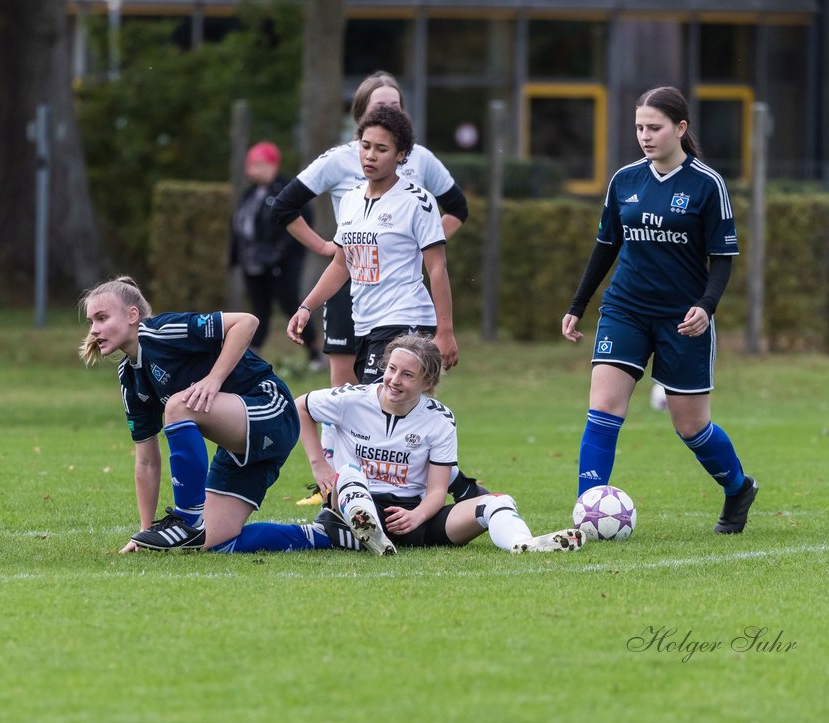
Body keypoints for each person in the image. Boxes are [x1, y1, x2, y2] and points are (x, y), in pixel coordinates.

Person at [272, 71, 485, 504]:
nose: (369, 156)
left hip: (407, 323)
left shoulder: (417, 201)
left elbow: (438, 269)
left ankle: (351, 498)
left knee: (371, 412)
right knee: (394, 418)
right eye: (365, 146)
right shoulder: (350, 200)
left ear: (401, 155)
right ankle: (465, 492)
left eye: (381, 149)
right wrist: (306, 307)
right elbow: (345, 262)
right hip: (367, 324)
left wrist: (445, 331)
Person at [561, 85, 759, 535]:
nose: (645, 136)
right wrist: (578, 304)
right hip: (625, 308)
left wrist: (706, 308)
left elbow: (723, 257)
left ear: (680, 128)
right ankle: (585, 514)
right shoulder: (625, 180)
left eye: (655, 127)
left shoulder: (707, 184)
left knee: (691, 427)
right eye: (639, 128)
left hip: (683, 320)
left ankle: (737, 488)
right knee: (603, 407)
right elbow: (606, 246)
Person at [80, 276, 360, 554]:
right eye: (91, 321)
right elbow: (146, 461)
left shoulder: (162, 332)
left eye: (102, 318)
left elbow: (247, 322)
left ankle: (188, 517)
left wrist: (214, 379)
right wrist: (145, 532)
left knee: (179, 406)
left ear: (132, 315)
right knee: (214, 543)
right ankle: (328, 534)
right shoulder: (129, 376)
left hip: (271, 409)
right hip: (239, 444)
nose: (94, 329)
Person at [298, 334, 583, 555]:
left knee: (497, 502)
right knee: (348, 472)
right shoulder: (352, 399)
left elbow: (436, 490)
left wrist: (416, 517)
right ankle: (369, 532)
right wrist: (319, 465)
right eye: (392, 369)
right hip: (353, 504)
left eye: (407, 375)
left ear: (428, 382)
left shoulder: (440, 419)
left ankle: (524, 544)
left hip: (413, 515)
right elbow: (299, 407)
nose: (394, 380)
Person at [228, 140, 322, 370]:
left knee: (291, 304)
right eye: (250, 165)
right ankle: (249, 356)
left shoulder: (286, 189)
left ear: (272, 165)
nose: (251, 170)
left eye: (258, 164)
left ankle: (315, 353)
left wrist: (281, 251)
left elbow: (303, 218)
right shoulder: (249, 194)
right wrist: (235, 257)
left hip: (282, 263)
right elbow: (239, 226)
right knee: (260, 310)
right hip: (253, 263)